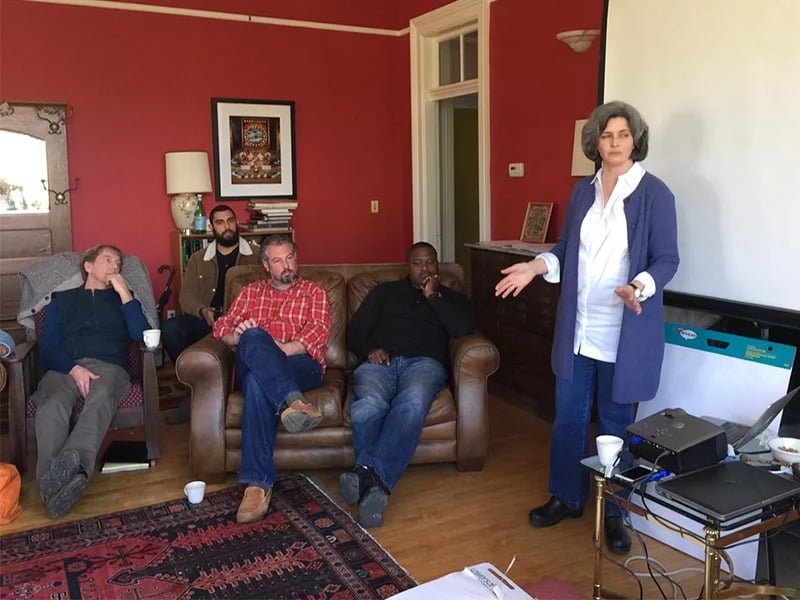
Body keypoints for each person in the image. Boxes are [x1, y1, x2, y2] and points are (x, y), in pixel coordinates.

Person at [495, 101, 679, 555]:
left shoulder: (656, 194)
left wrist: (640, 285)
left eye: (622, 134)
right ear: (594, 143)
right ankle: (567, 496)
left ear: (636, 139)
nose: (614, 143)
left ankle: (615, 513)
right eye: (606, 135)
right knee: (570, 421)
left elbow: (667, 259)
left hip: (625, 331)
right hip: (579, 329)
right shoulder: (583, 191)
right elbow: (564, 248)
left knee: (616, 425)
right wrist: (536, 267)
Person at [340, 242, 474, 528]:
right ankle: (375, 488)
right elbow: (355, 332)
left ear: (437, 266)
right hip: (380, 363)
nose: (424, 269)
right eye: (418, 263)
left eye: (430, 263)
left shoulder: (450, 298)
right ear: (407, 266)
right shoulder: (383, 294)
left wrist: (434, 298)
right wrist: (370, 349)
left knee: (412, 403)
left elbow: (462, 329)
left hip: (424, 365)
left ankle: (366, 474)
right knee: (368, 405)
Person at [212, 234, 331, 523]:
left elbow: (318, 332)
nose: (286, 265)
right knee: (252, 335)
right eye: (278, 260)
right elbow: (221, 327)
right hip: (256, 356)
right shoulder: (250, 292)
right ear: (266, 265)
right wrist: (238, 336)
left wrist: (278, 350)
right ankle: (294, 402)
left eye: (290, 257)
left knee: (256, 381)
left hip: (301, 364)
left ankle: (257, 484)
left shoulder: (314, 292)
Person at [33, 244, 150, 519]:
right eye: (107, 260)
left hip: (110, 368)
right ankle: (53, 485)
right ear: (88, 266)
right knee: (53, 404)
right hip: (65, 367)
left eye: (118, 263)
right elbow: (48, 347)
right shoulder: (62, 300)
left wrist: (124, 293)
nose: (114, 266)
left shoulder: (124, 300)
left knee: (101, 397)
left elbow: (143, 335)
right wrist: (73, 368)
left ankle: (70, 468)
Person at [162, 204, 261, 424]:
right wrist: (203, 311)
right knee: (171, 329)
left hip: (243, 322)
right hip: (208, 320)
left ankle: (233, 394)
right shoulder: (198, 259)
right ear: (211, 227)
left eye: (230, 221)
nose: (227, 227)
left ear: (236, 223)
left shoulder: (256, 255)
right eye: (220, 222)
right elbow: (186, 297)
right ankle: (194, 389)